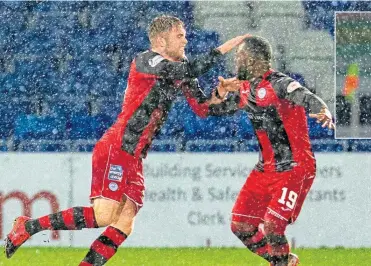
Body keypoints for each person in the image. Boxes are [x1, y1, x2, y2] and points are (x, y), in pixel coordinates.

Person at [4, 15, 247, 265]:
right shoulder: (146, 60)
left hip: (135, 154)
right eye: (180, 35)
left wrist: (224, 94)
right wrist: (223, 49)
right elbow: (188, 70)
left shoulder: (181, 65)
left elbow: (202, 108)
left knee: (125, 222)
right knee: (104, 216)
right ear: (162, 40)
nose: (185, 40)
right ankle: (28, 226)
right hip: (118, 146)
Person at [201, 36, 334, 266]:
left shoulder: (279, 83)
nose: (236, 64)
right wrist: (221, 91)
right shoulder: (245, 88)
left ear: (253, 61)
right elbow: (213, 110)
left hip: (294, 166)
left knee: (273, 224)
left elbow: (305, 96)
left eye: (239, 58)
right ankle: (282, 261)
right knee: (240, 225)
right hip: (265, 169)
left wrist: (322, 109)